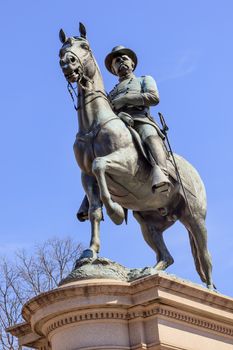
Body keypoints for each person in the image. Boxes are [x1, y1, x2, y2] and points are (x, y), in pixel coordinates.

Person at [105, 45, 171, 193]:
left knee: (149, 135)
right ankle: (93, 193)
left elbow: (153, 98)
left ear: (132, 64)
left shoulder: (144, 79)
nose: (120, 61)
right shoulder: (110, 93)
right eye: (116, 61)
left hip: (141, 120)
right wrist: (119, 114)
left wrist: (125, 99)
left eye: (124, 58)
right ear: (113, 69)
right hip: (118, 123)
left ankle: (161, 173)